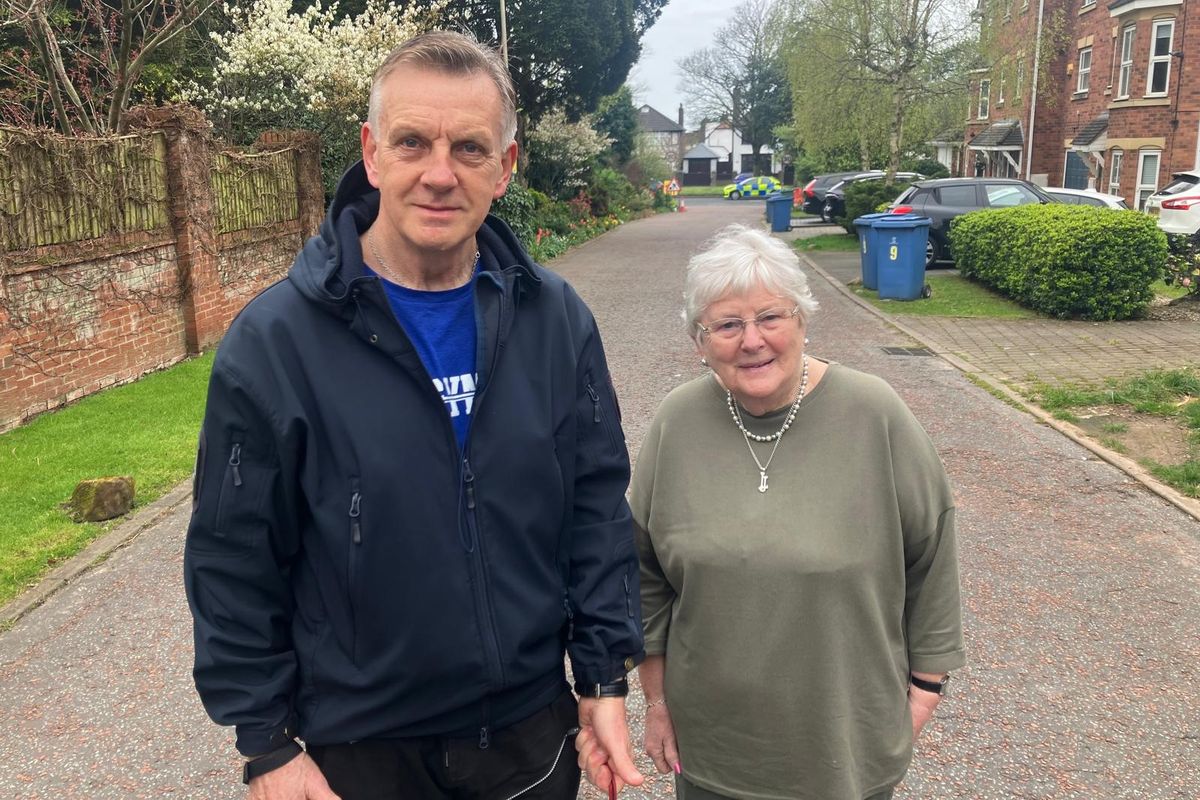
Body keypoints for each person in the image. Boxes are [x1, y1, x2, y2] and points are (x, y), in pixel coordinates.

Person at [183, 30, 645, 800]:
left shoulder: (554, 320)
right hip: (360, 753)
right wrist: (266, 744)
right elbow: (233, 557)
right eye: (412, 142)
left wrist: (601, 675)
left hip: (527, 737)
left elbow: (595, 508)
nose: (439, 174)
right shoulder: (277, 342)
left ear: (506, 167)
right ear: (371, 154)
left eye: (469, 148)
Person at [622, 225, 965, 799]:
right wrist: (655, 702)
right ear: (699, 341)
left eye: (770, 317)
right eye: (727, 325)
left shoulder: (873, 413)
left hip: (845, 746)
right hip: (713, 747)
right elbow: (644, 573)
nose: (751, 340)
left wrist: (926, 687)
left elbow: (931, 551)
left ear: (803, 319)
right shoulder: (677, 422)